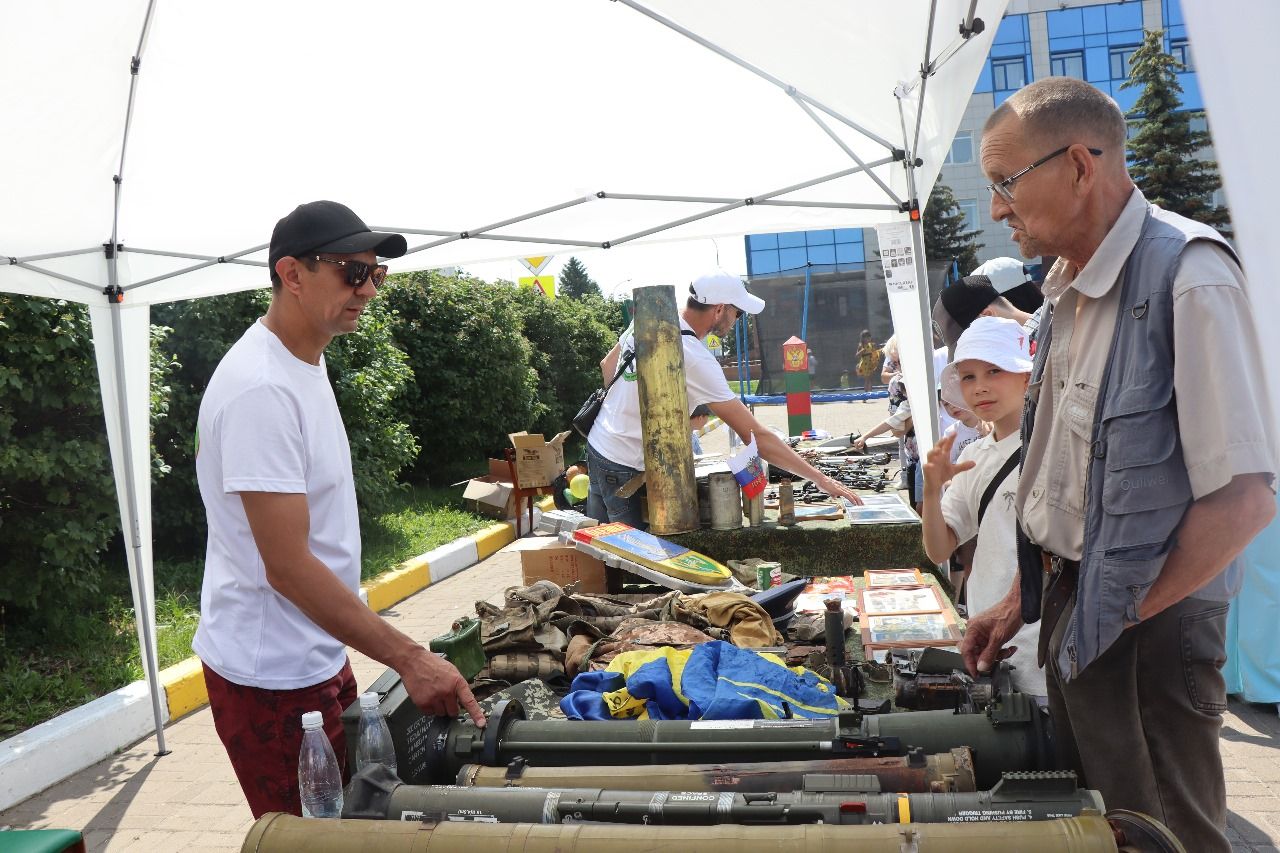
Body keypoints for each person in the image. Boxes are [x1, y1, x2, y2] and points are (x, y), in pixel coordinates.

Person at [959, 77, 1276, 851]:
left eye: (1005, 182)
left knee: (1165, 829)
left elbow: (1243, 500)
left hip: (1150, 627)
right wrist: (1026, 597)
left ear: (1077, 165)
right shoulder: (1067, 288)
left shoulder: (1189, 273)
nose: (997, 208)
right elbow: (1069, 476)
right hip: (1083, 608)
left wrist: (1127, 609)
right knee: (1102, 826)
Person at [193, 200, 485, 819]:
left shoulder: (304, 361)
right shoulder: (260, 388)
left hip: (314, 651)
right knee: (310, 836)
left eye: (376, 274)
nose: (368, 290)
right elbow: (288, 566)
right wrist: (408, 656)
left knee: (352, 824)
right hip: (269, 672)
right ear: (292, 274)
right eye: (352, 273)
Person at [584, 272, 861, 527]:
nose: (739, 320)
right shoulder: (695, 357)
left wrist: (627, 412)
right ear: (719, 309)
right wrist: (821, 480)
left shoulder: (648, 318)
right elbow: (756, 437)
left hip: (598, 445)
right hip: (623, 464)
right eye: (738, 313)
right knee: (630, 555)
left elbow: (607, 366)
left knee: (596, 550)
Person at [921, 317, 1044, 700]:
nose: (980, 387)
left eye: (995, 370)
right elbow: (940, 549)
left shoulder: (1051, 447)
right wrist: (930, 490)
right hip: (986, 646)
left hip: (1042, 646)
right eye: (969, 377)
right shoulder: (974, 454)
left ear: (1027, 375)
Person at [854, 329, 881, 394]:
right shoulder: (861, 345)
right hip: (865, 364)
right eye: (866, 337)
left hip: (870, 363)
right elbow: (856, 355)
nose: (868, 339)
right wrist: (861, 351)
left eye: (869, 337)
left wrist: (877, 349)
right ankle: (865, 395)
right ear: (863, 338)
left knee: (870, 379)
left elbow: (874, 352)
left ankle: (870, 394)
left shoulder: (871, 345)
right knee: (867, 379)